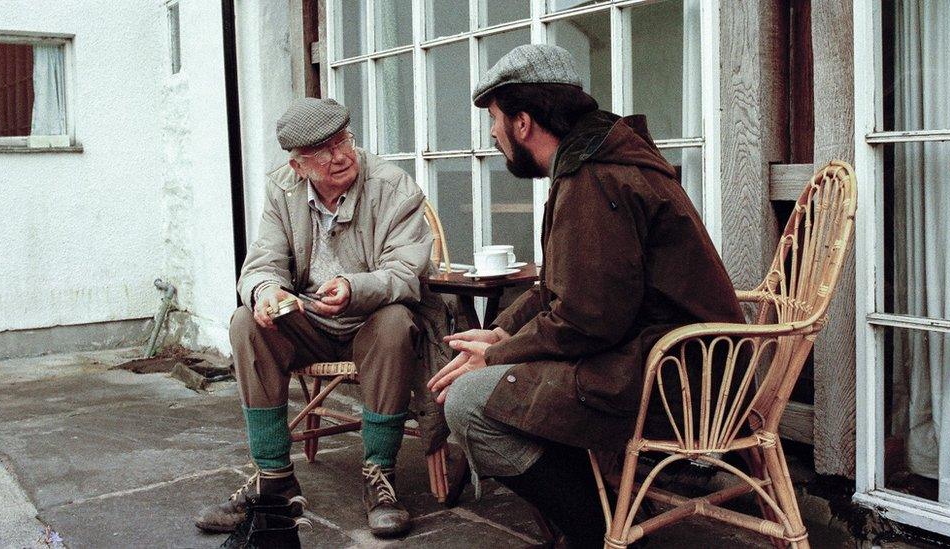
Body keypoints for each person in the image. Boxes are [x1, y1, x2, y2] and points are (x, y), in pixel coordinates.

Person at [429, 44, 745, 547]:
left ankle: (597, 532)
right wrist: (503, 330)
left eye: (494, 119)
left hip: (681, 377)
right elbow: (561, 285)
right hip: (663, 357)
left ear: (523, 122)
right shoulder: (597, 161)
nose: (493, 134)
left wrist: (495, 356)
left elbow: (586, 319)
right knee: (495, 381)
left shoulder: (595, 179)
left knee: (468, 403)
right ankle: (596, 514)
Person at [195, 97, 433, 538]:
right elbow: (262, 263)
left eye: (343, 140)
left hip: (370, 323)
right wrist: (266, 292)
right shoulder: (281, 189)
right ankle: (274, 480)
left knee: (397, 320)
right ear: (298, 165)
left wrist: (354, 287)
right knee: (246, 322)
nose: (341, 156)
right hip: (308, 322)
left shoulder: (393, 186)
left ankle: (379, 476)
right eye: (323, 151)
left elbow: (406, 272)